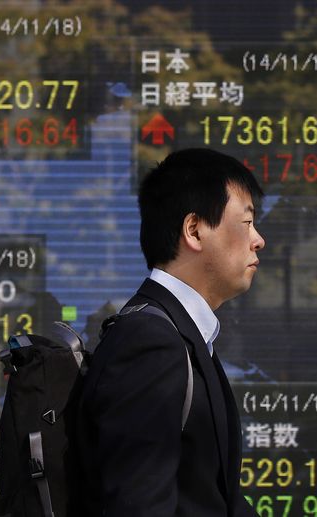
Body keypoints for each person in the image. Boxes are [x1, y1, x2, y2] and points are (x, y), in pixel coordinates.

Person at [76, 148, 265, 516]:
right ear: (194, 230)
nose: (258, 239)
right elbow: (138, 504)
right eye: (246, 223)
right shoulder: (151, 343)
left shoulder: (178, 333)